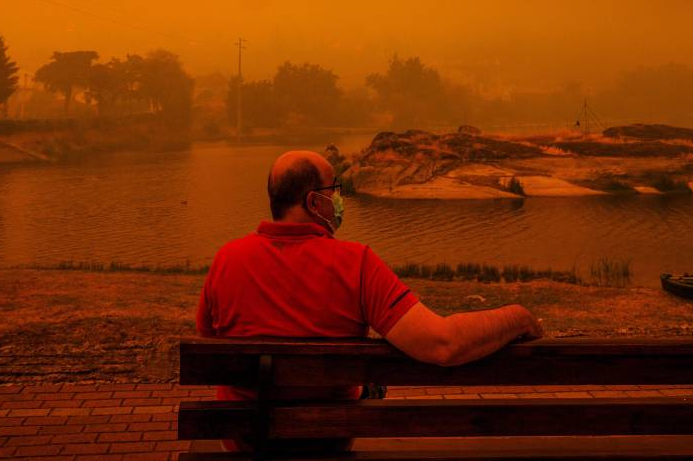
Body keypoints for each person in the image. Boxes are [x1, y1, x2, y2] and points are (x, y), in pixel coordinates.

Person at [195, 149, 544, 451]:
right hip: (324, 439)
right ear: (314, 202)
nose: (339, 199)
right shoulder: (356, 264)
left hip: (245, 438)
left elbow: (210, 343)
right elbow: (444, 344)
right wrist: (519, 316)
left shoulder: (227, 259)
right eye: (335, 190)